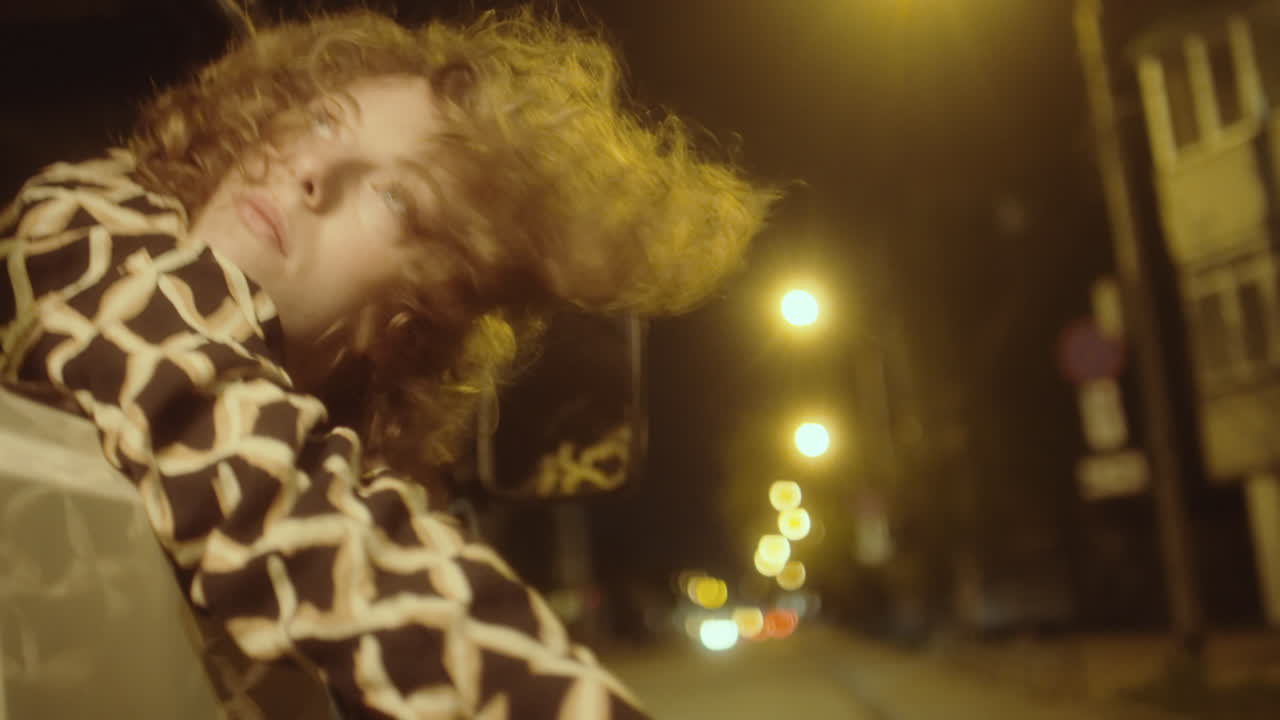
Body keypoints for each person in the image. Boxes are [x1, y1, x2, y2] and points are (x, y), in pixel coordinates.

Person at [0, 6, 777, 719]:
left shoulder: (337, 459)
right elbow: (302, 526)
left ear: (410, 325)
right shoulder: (85, 229)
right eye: (324, 119)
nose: (314, 171)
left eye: (397, 198)